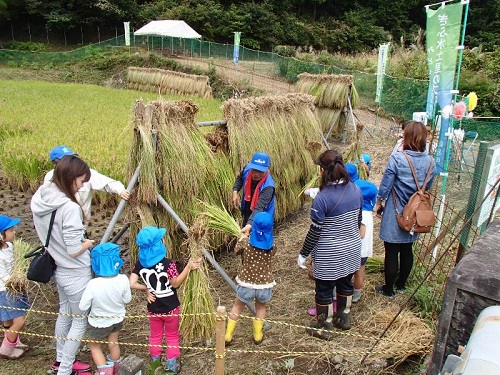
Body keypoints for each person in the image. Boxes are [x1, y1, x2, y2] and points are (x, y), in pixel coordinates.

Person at [31, 155, 95, 375]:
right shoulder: (69, 208)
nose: (81, 186)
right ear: (69, 178)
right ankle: (65, 369)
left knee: (65, 312)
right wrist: (87, 244)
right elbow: (73, 248)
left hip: (57, 267)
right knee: (80, 321)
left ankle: (59, 360)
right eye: (80, 181)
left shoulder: (40, 198)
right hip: (75, 271)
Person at [297, 149, 363, 338]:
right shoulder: (355, 190)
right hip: (352, 248)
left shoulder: (322, 199)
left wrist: (303, 254)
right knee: (345, 283)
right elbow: (357, 221)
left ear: (323, 171)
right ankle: (343, 318)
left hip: (329, 253)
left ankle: (325, 326)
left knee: (324, 289)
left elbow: (315, 231)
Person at [374, 121, 436, 298]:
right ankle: (401, 285)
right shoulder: (430, 161)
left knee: (392, 250)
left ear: (407, 137)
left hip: (396, 210)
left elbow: (386, 184)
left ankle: (389, 289)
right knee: (407, 249)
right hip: (415, 212)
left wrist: (379, 202)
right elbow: (427, 186)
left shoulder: (398, 158)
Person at [129, 226, 201, 374]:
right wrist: (188, 267)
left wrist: (146, 289)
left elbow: (131, 283)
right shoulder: (169, 264)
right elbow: (175, 283)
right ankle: (171, 365)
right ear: (159, 244)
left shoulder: (140, 264)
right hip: (171, 308)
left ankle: (155, 364)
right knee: (172, 336)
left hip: (153, 309)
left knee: (155, 336)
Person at [224, 212, 276, 346]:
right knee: (261, 308)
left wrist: (243, 237)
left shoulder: (245, 243)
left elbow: (236, 251)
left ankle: (228, 336)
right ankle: (257, 336)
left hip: (246, 283)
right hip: (264, 285)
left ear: (253, 227)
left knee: (237, 306)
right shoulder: (272, 246)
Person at [79, 243, 131, 375]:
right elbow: (127, 300)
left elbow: (82, 306)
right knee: (113, 343)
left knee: (95, 347)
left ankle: (104, 372)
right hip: (117, 319)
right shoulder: (123, 279)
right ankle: (116, 368)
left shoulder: (93, 284)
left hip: (97, 322)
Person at [44, 145, 130, 221]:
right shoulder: (50, 177)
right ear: (55, 164)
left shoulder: (86, 173)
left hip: (79, 227)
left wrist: (121, 190)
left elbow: (107, 183)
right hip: (57, 228)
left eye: (72, 158)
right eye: (66, 160)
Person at [345, 163, 378, 303]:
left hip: (354, 242)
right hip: (364, 243)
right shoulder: (370, 188)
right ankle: (356, 295)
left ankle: (346, 294)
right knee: (360, 270)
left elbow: (360, 233)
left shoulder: (348, 192)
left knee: (347, 271)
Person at [0, 215, 29, 359]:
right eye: (10, 230)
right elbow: (3, 275)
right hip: (6, 290)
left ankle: (14, 341)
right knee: (19, 320)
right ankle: (6, 349)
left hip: (14, 288)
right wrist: (16, 280)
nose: (14, 232)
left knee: (9, 320)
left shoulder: (10, 246)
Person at [232, 152, 276, 236]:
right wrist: (235, 191)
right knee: (245, 236)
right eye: (254, 170)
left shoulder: (269, 187)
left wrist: (250, 224)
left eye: (260, 171)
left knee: (259, 239)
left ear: (267, 170)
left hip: (262, 215)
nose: (256, 174)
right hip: (248, 208)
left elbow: (259, 208)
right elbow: (240, 179)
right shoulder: (247, 169)